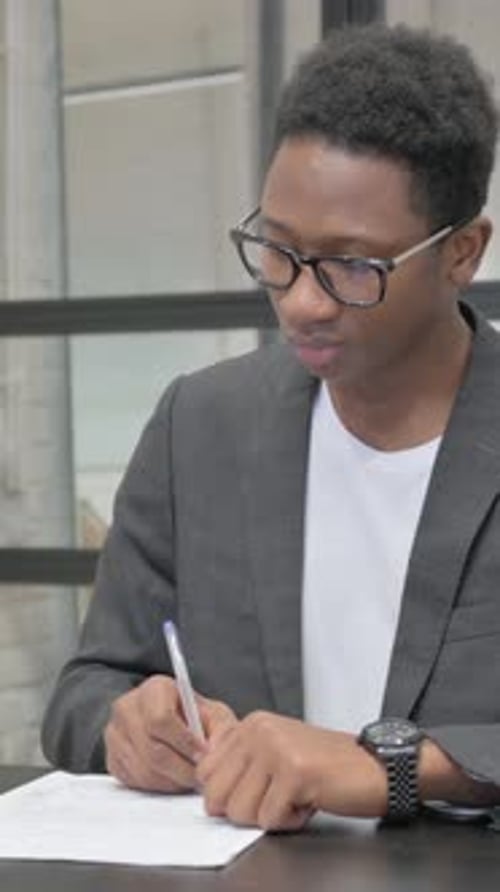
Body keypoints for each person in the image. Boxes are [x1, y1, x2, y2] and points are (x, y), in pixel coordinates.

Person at [42, 22, 500, 830]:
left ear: (462, 252)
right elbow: (85, 692)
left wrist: (392, 768)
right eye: (277, 251)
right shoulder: (202, 425)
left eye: (353, 265)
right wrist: (128, 727)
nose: (301, 300)